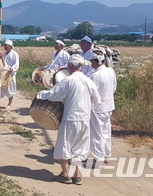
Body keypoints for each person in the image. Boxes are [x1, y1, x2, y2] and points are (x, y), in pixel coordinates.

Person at [36, 54, 100, 185]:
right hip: (84, 119)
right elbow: (97, 100)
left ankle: (65, 174)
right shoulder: (88, 80)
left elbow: (53, 94)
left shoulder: (68, 80)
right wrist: (89, 109)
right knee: (80, 148)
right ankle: (77, 175)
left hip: (71, 118)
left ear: (70, 65)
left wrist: (40, 94)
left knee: (64, 146)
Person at [89, 49, 117, 165]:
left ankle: (99, 158)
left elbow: (91, 93)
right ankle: (106, 155)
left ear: (95, 61)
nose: (90, 63)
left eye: (91, 61)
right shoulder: (111, 71)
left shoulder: (95, 75)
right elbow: (114, 87)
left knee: (97, 134)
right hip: (109, 106)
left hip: (98, 109)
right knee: (106, 131)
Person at [2, 39, 19, 109]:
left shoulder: (14, 54)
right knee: (2, 87)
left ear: (10, 46)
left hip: (11, 74)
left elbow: (16, 64)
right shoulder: (4, 54)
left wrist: (12, 69)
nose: (5, 47)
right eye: (4, 45)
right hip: (4, 73)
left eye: (6, 45)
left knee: (10, 88)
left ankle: (10, 103)